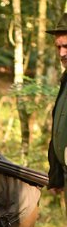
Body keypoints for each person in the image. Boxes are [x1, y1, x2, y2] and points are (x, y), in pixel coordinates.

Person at [46, 13, 67, 211]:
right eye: (59, 47)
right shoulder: (65, 80)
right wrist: (56, 174)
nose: (62, 53)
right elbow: (58, 129)